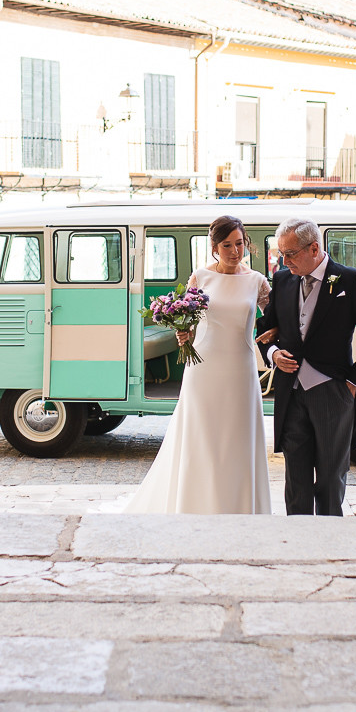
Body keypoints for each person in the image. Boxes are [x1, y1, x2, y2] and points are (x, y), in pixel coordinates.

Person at [125, 215, 272, 514]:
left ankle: (239, 507)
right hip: (203, 367)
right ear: (215, 247)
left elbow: (276, 320)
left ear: (247, 243)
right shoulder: (200, 277)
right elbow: (190, 323)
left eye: (239, 243)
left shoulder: (257, 282)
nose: (234, 250)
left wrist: (276, 338)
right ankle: (194, 505)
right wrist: (182, 332)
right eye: (227, 245)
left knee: (238, 437)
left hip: (241, 370)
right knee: (201, 435)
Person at [257, 217, 356, 516]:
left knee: (330, 478)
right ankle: (299, 544)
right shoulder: (283, 280)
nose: (284, 260)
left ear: (314, 247)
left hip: (333, 392)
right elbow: (265, 331)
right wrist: (274, 354)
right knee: (295, 481)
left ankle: (330, 542)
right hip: (290, 393)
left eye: (290, 254)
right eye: (281, 253)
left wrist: (352, 386)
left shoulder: (350, 281)